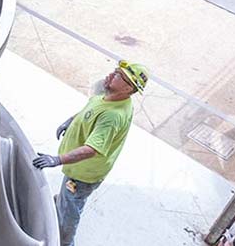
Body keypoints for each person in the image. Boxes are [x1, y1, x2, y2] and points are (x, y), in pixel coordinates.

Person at [32, 60, 150, 246]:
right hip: (77, 169)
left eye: (120, 76)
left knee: (70, 213)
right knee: (66, 198)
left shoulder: (112, 116)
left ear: (129, 89)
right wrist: (71, 121)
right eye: (116, 71)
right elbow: (90, 109)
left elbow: (91, 149)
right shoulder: (108, 95)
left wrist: (57, 160)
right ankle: (61, 203)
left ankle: (64, 242)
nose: (112, 75)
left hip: (83, 175)